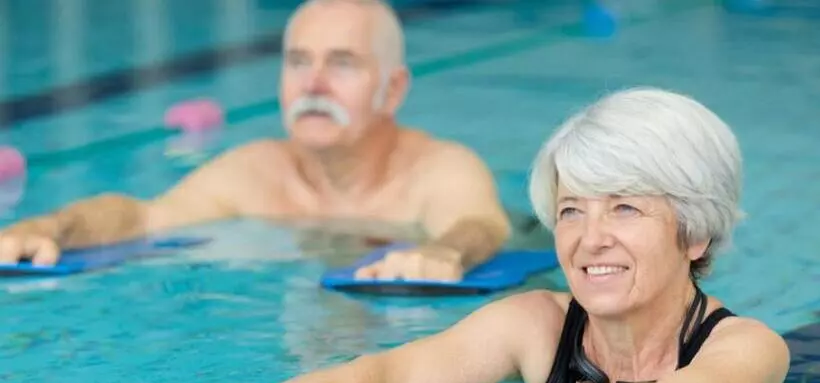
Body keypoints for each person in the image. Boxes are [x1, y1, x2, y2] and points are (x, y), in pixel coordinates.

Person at [132, 87, 789, 383]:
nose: (590, 239)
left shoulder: (746, 349)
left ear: (695, 234)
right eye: (571, 211)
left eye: (624, 208)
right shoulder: (537, 327)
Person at [0, 0, 511, 282]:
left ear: (392, 90)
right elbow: (142, 217)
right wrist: (51, 227)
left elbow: (479, 225)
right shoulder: (254, 174)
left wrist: (444, 252)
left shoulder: (439, 170)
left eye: (342, 63)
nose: (313, 85)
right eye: (298, 62)